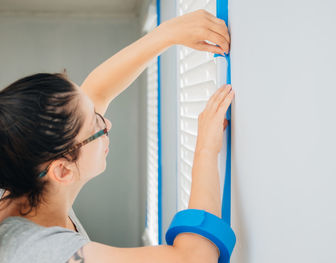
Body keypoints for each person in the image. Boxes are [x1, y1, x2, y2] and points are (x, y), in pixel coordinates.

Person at [0, 9, 234, 263]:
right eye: (96, 126)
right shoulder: (40, 253)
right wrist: (206, 151)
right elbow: (193, 259)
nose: (107, 123)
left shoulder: (23, 169)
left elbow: (97, 92)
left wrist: (168, 33)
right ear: (63, 171)